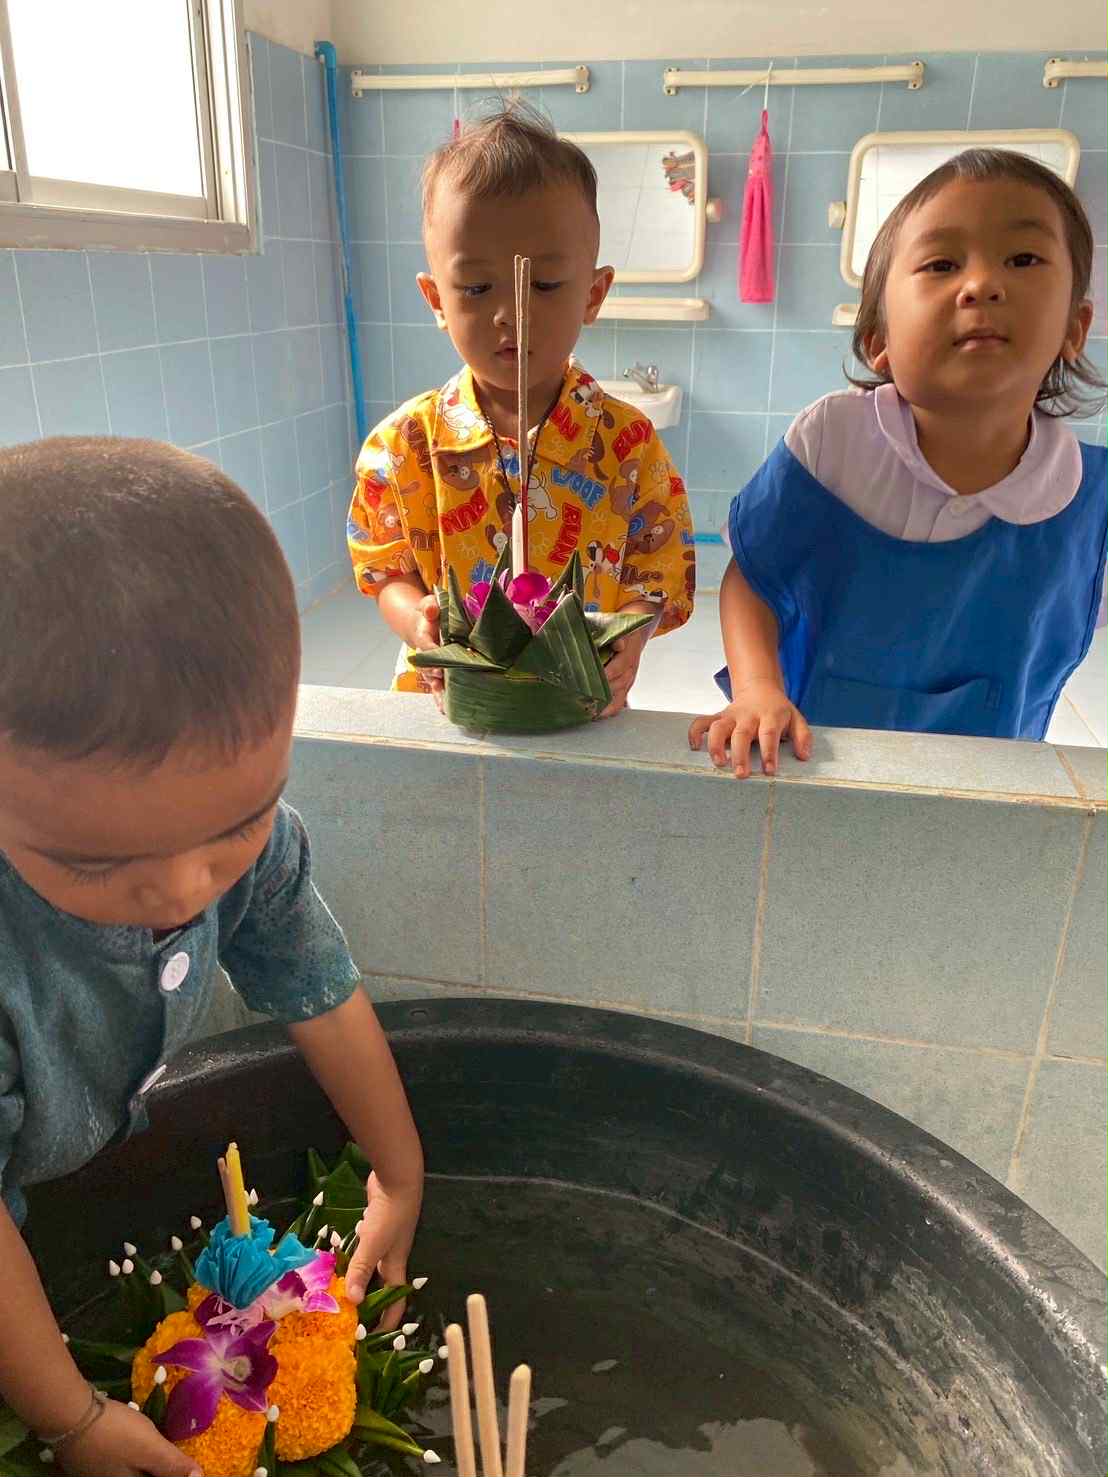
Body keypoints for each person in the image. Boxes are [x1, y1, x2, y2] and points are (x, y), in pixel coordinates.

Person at [0, 437, 424, 1476]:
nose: (185, 889)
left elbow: (319, 988)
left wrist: (399, 1170)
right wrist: (72, 1418)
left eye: (235, 824)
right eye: (100, 863)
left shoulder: (245, 851)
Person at [690, 149, 1106, 776]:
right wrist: (756, 689)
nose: (981, 285)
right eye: (942, 264)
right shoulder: (835, 443)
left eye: (1023, 259)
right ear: (878, 340)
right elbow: (754, 576)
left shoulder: (1085, 499)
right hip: (809, 763)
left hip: (985, 784)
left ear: (1075, 327)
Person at [347, 105, 695, 717]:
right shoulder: (404, 445)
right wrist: (415, 620)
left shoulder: (628, 444)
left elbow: (657, 571)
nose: (510, 313)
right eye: (476, 288)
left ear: (594, 294)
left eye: (545, 284)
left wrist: (631, 641)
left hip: (575, 701)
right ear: (436, 299)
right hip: (447, 703)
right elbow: (385, 568)